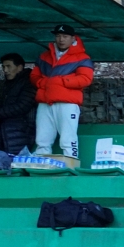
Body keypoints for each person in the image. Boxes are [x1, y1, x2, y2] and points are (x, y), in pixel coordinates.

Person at [31, 22, 92, 159]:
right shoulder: (44, 56)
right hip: (45, 102)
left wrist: (61, 81)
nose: (61, 39)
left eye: (65, 36)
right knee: (42, 139)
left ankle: (71, 165)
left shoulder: (83, 58)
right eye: (58, 36)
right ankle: (40, 166)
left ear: (73, 38)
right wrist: (45, 83)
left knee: (68, 138)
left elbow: (85, 79)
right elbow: (34, 76)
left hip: (67, 103)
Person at [0, 53, 36, 155]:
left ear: (19, 67)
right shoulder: (9, 84)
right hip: (6, 127)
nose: (5, 70)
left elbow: (23, 106)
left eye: (8, 66)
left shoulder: (29, 82)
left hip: (22, 128)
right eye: (3, 67)